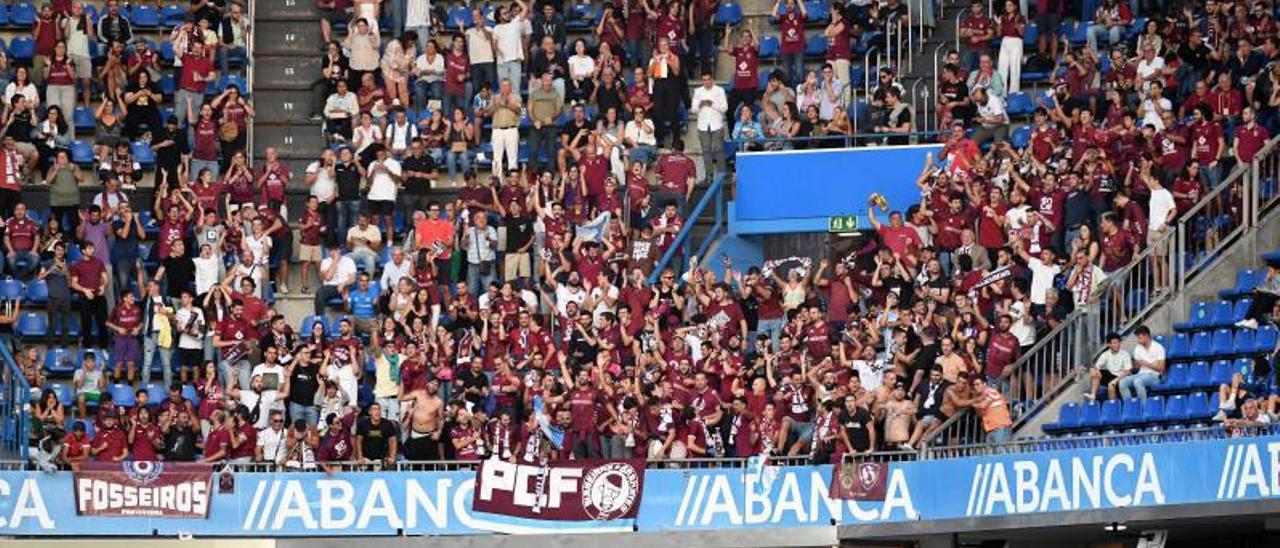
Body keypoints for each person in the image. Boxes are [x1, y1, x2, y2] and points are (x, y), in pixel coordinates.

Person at [690, 72, 728, 179]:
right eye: (704, 80)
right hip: (703, 125)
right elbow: (693, 109)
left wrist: (712, 104)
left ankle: (722, 175)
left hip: (717, 124)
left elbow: (724, 108)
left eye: (708, 79)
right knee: (706, 151)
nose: (706, 82)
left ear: (712, 80)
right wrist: (700, 105)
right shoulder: (698, 91)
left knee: (719, 150)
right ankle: (709, 176)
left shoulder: (720, 90)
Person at [1118, 326, 1165, 401]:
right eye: (1137, 338)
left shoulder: (1158, 347)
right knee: (1122, 382)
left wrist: (1146, 363)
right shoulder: (1137, 348)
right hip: (1140, 374)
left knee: (1138, 381)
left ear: (1146, 336)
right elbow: (1137, 368)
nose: (1138, 340)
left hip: (1155, 375)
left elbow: (1161, 367)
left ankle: (1143, 408)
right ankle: (1129, 407)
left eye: (1140, 338)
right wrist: (1134, 364)